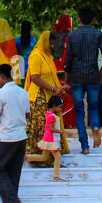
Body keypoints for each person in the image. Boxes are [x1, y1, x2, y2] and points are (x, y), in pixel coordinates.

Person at [64, 5, 102, 154]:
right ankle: (95, 126)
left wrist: (66, 81)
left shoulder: (72, 36)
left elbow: (68, 62)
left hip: (77, 76)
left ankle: (84, 145)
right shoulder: (98, 34)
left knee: (79, 111)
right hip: (93, 75)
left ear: (78, 19)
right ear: (93, 20)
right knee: (93, 106)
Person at [23, 31, 69, 166]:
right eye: (51, 43)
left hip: (49, 97)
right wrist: (54, 88)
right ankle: (39, 158)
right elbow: (35, 78)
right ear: (44, 42)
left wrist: (59, 87)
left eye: (54, 43)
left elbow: (50, 77)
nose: (53, 46)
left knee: (50, 128)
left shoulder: (47, 57)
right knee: (43, 128)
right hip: (39, 98)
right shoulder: (36, 56)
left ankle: (50, 157)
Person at [0, 62, 29, 203]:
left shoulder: (1, 93)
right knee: (14, 170)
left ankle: (11, 200)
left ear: (2, 77)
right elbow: (27, 114)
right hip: (20, 136)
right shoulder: (23, 92)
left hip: (6, 136)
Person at [33, 95, 66, 180]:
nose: (60, 109)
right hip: (51, 140)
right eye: (60, 107)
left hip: (49, 138)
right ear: (54, 106)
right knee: (58, 157)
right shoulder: (51, 116)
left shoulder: (49, 114)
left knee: (44, 157)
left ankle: (26, 157)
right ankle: (56, 176)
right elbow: (51, 128)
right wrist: (60, 131)